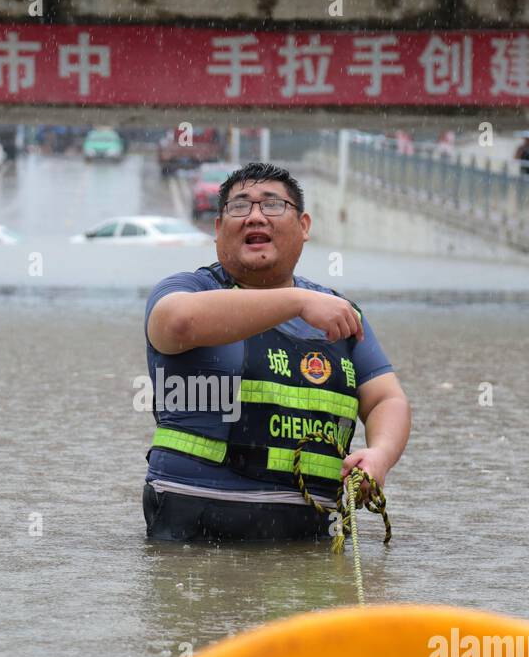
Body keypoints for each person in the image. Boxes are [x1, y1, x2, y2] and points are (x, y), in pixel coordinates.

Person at [142, 162, 412, 542]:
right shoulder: (188, 290)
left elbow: (387, 397)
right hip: (195, 530)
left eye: (272, 205)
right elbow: (176, 324)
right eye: (239, 207)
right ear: (219, 229)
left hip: (310, 533)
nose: (255, 217)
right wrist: (297, 301)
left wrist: (380, 455)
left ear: (303, 226)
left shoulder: (337, 313)